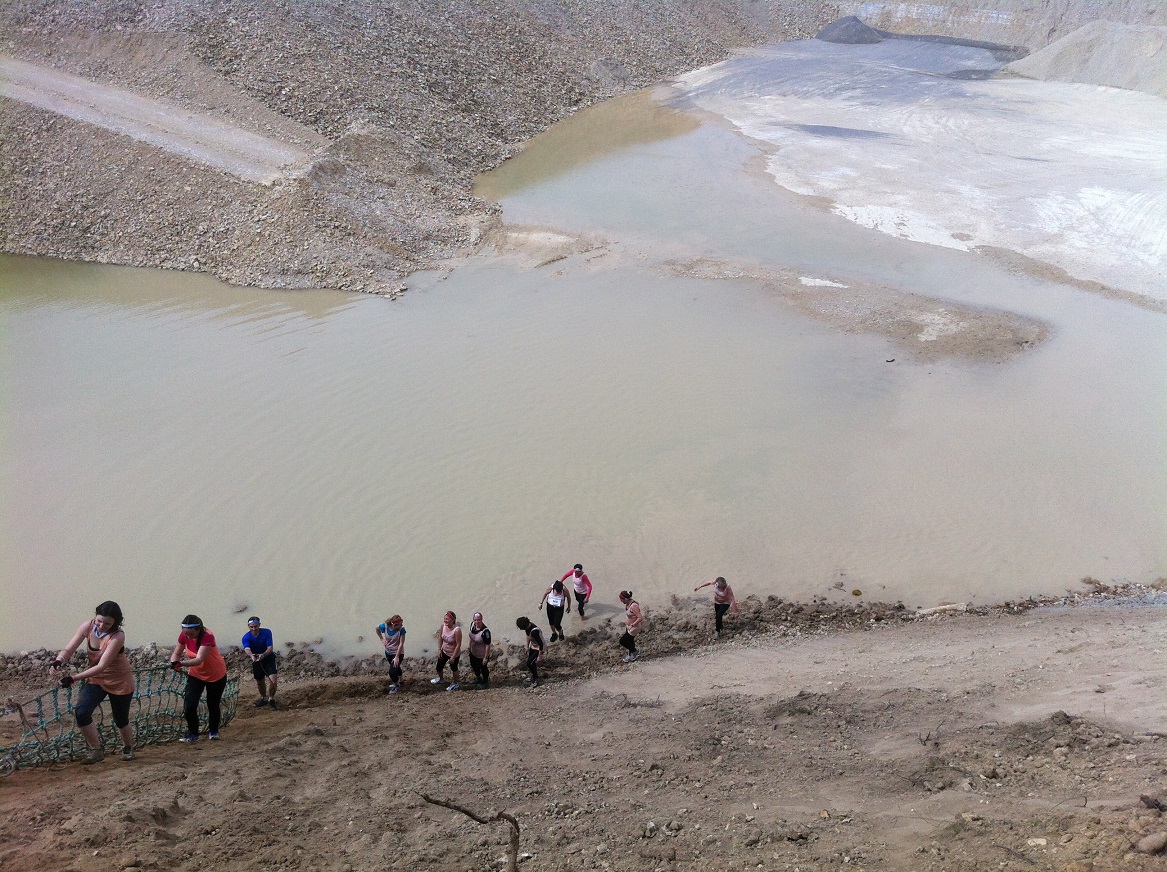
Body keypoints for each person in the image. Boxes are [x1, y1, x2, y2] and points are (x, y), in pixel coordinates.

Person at [49, 601, 137, 764]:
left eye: (108, 623)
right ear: (95, 617)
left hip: (120, 680)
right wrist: (59, 660)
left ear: (116, 623)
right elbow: (70, 648)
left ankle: (128, 747)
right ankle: (96, 750)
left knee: (120, 719)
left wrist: (74, 678)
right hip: (96, 679)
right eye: (99, 621)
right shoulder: (87, 626)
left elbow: (102, 665)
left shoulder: (118, 636)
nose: (102, 625)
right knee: (81, 712)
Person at [169, 615, 228, 743]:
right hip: (196, 674)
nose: (188, 637)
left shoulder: (207, 636)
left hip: (215, 674)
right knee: (190, 705)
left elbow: (199, 659)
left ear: (198, 630)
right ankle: (193, 733)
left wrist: (181, 664)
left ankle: (213, 731)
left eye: (191, 634)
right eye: (186, 634)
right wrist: (174, 661)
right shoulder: (184, 635)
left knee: (212, 704)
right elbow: (177, 653)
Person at [241, 616, 278, 708]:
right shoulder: (246, 637)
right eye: (251, 627)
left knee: (273, 681)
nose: (254, 629)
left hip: (268, 657)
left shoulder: (267, 632)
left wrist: (263, 655)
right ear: (248, 626)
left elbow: (270, 648)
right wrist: (251, 656)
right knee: (260, 681)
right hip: (256, 659)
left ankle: (271, 698)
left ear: (259, 625)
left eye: (256, 626)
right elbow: (247, 648)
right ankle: (263, 698)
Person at [430, 611, 462, 691]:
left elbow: (458, 645)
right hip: (444, 651)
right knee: (438, 667)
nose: (445, 621)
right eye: (444, 619)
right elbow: (440, 638)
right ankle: (441, 679)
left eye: (447, 619)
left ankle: (455, 683)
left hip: (453, 653)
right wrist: (439, 649)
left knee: (454, 669)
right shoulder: (443, 626)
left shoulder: (457, 630)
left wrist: (453, 657)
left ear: (453, 620)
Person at [375, 614, 407, 693]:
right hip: (388, 652)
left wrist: (396, 657)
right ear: (395, 625)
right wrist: (382, 639)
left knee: (392, 672)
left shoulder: (402, 630)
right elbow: (376, 628)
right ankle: (401, 682)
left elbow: (401, 644)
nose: (402, 625)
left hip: (398, 653)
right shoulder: (385, 627)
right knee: (396, 667)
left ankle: (397, 686)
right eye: (400, 624)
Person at [515, 616, 546, 689]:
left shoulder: (535, 631)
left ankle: (535, 679)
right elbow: (528, 636)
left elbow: (541, 644)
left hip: (539, 648)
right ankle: (534, 675)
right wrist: (527, 646)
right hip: (533, 646)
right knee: (530, 663)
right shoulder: (528, 627)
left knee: (529, 663)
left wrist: (540, 656)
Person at [467, 612, 491, 688]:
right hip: (473, 652)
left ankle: (485, 682)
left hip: (482, 654)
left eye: (478, 620)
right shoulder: (472, 626)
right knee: (474, 666)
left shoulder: (485, 631)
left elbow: (488, 645)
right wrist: (469, 645)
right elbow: (471, 637)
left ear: (481, 620)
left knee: (483, 668)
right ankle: (478, 678)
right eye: (475, 620)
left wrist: (485, 658)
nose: (476, 622)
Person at [618, 590, 643, 662]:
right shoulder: (628, 603)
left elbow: (640, 617)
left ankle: (635, 651)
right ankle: (631, 654)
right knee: (630, 640)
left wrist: (633, 624)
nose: (621, 601)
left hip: (634, 627)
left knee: (622, 641)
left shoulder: (633, 606)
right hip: (629, 626)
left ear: (624, 599)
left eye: (621, 599)